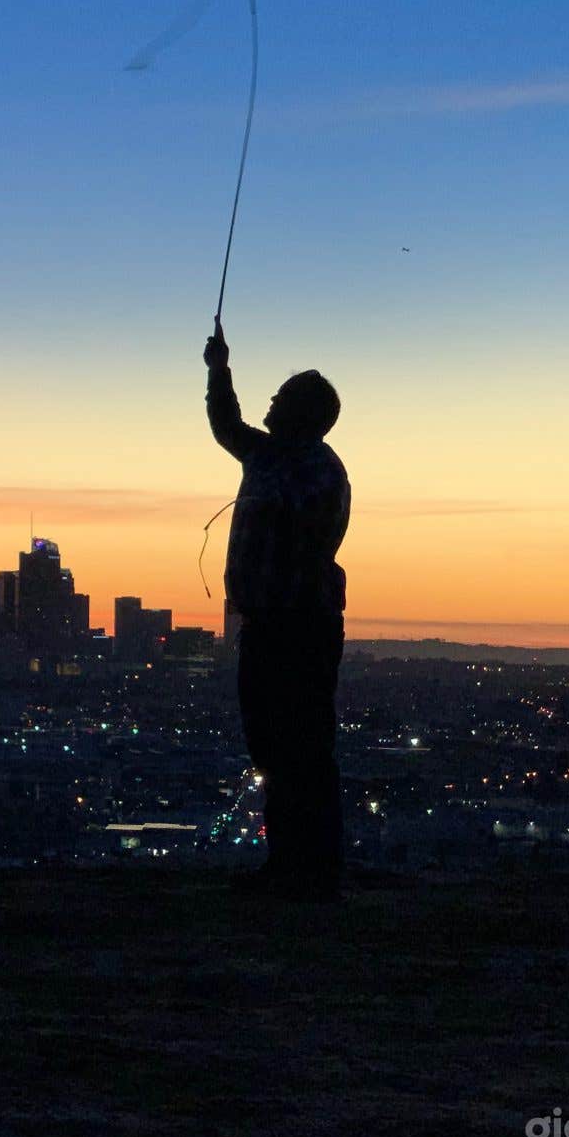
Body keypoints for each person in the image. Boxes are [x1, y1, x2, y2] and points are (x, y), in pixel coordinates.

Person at [204, 319, 351, 900]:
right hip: (275, 625)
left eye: (282, 397)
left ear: (303, 416)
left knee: (300, 749)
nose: (270, 401)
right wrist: (219, 369)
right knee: (276, 746)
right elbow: (226, 425)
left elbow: (301, 537)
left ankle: (309, 870)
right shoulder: (275, 457)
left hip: (296, 627)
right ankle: (295, 866)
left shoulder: (312, 468)